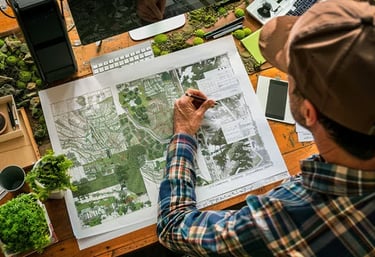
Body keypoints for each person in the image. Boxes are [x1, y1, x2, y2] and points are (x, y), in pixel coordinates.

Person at [156, 0, 375, 256]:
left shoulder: (283, 221)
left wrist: (183, 135)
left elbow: (174, 226)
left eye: (290, 74)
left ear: (308, 111)